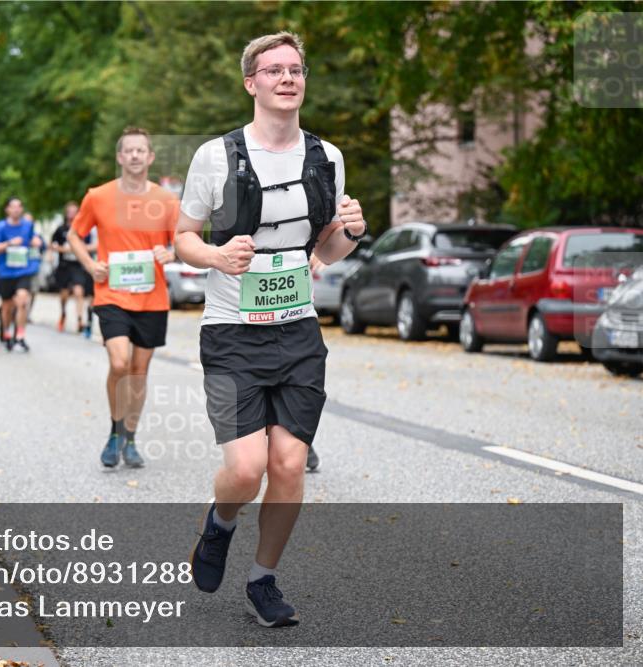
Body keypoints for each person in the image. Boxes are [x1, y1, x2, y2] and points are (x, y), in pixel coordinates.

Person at [173, 32, 367, 628]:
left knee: (288, 463)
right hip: (232, 332)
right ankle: (219, 525)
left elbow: (326, 251)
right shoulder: (216, 155)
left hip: (298, 332)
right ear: (251, 83)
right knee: (246, 469)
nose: (287, 78)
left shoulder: (325, 157)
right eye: (273, 70)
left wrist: (351, 233)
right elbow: (182, 238)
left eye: (296, 69)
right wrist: (216, 256)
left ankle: (263, 580)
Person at [68, 127, 179, 468]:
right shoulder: (98, 196)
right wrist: (89, 265)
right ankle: (114, 431)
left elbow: (183, 242)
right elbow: (75, 234)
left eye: (140, 150)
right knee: (119, 364)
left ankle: (130, 438)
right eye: (127, 151)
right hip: (111, 293)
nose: (134, 155)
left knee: (138, 371)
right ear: (119, 157)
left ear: (150, 157)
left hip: (152, 298)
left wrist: (171, 254)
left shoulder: (166, 200)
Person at [0, 197, 42, 352]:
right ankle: (7, 332)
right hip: (5, 272)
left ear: (21, 209)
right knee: (7, 307)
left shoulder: (28, 225)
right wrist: (9, 243)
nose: (16, 209)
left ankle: (21, 336)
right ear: (7, 210)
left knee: (22, 302)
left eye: (19, 207)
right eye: (13, 207)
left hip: (24, 270)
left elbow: (32, 239)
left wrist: (36, 241)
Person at [51, 201, 96, 334]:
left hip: (78, 265)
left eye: (74, 211)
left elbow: (92, 245)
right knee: (64, 294)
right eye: (69, 211)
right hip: (64, 265)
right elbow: (53, 245)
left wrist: (79, 249)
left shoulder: (85, 229)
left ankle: (79, 320)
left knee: (79, 291)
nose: (72, 214)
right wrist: (64, 249)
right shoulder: (61, 229)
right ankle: (63, 313)